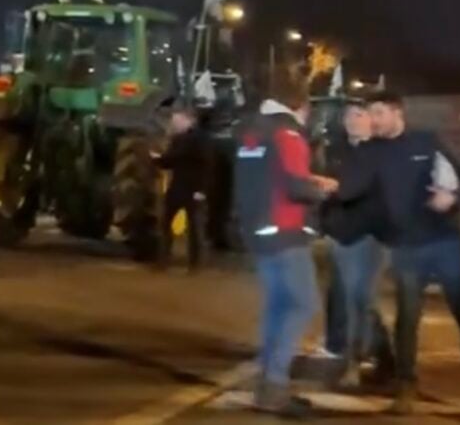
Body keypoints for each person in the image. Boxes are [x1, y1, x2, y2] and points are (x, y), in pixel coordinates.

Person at [336, 91, 460, 414]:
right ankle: (406, 388)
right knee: (407, 319)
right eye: (370, 114)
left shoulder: (428, 140)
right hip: (406, 245)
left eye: (378, 113)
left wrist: (454, 198)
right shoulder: (371, 151)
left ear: (397, 113)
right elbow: (350, 191)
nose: (373, 121)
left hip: (445, 241)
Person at [233, 71, 338, 416]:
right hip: (286, 231)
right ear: (301, 106)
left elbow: (267, 178)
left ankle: (267, 383)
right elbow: (295, 186)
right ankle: (275, 385)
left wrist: (306, 180)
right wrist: (322, 189)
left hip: (258, 231)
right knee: (302, 305)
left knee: (278, 307)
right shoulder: (288, 134)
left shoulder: (252, 132)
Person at [318, 100, 394, 391]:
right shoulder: (335, 151)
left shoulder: (382, 151)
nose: (352, 120)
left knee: (360, 298)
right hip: (342, 233)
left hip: (373, 236)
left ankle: (354, 362)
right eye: (348, 115)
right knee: (350, 298)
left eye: (359, 115)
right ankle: (382, 356)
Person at [156, 108, 218, 271]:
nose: (173, 123)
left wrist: (202, 190)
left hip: (193, 189)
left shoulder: (201, 139)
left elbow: (207, 166)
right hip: (177, 188)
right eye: (173, 120)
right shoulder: (177, 139)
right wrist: (157, 160)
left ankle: (195, 264)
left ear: (188, 120)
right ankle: (163, 260)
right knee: (165, 224)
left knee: (194, 228)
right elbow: (170, 161)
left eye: (177, 120)